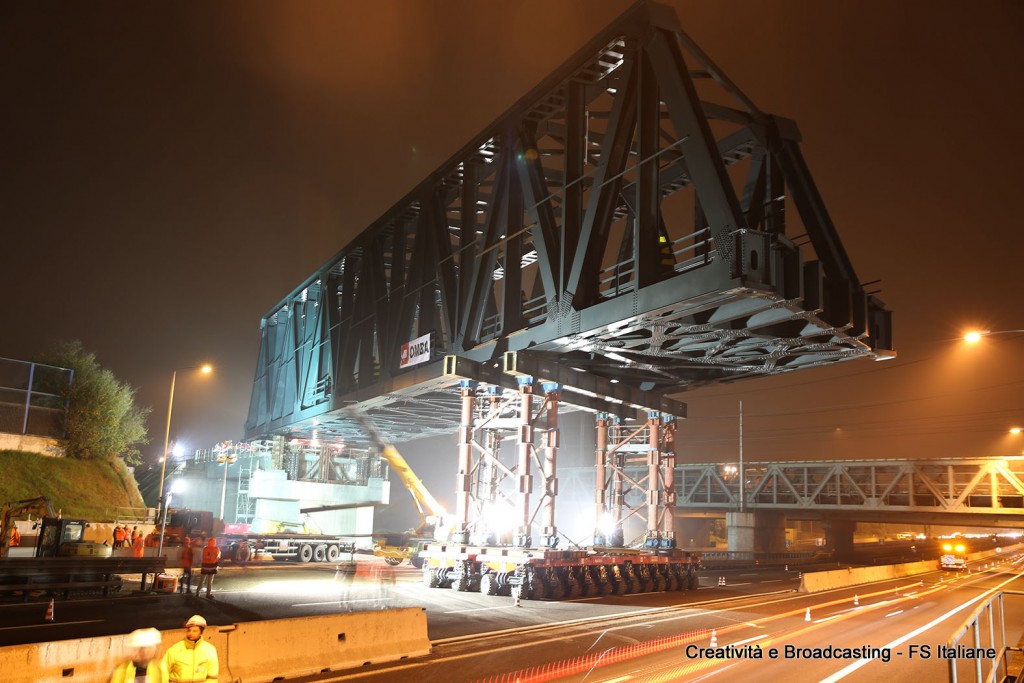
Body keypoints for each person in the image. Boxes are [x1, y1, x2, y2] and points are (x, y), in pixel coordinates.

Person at [163, 615, 218, 683]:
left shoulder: (210, 650)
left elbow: (212, 678)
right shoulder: (174, 650)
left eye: (195, 631)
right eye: (189, 630)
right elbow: (163, 672)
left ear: (201, 632)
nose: (191, 633)